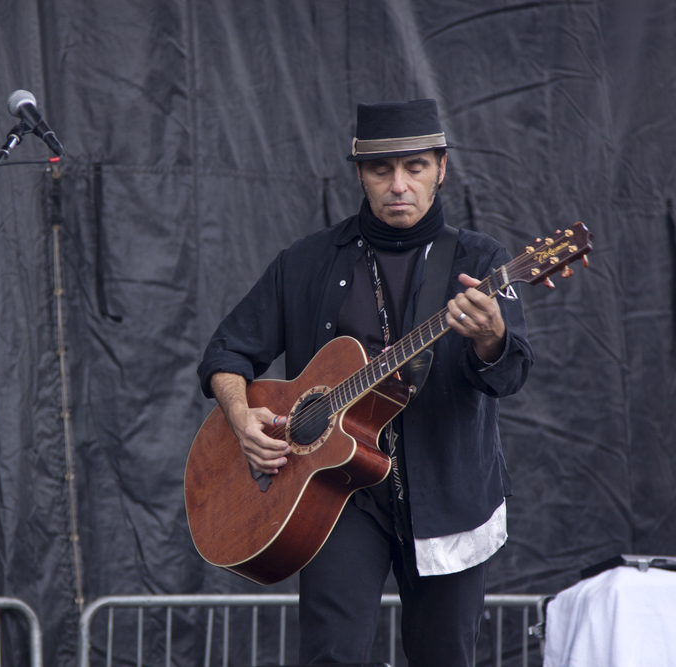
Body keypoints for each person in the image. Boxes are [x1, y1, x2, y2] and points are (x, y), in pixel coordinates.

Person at [196, 99, 533, 666]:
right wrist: (239, 415)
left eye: (415, 168)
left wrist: (490, 338)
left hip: (449, 493)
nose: (399, 184)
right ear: (360, 173)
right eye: (382, 170)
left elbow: (512, 371)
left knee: (444, 656)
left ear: (441, 168)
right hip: (336, 493)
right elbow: (225, 352)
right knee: (332, 655)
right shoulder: (305, 262)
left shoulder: (481, 261)